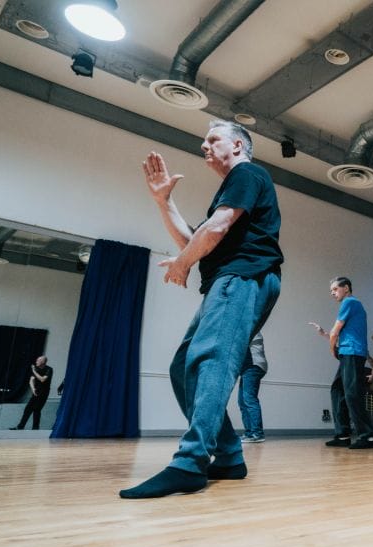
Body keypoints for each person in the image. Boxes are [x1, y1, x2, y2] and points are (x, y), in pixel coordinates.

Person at [121, 120, 282, 498]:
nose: (204, 145)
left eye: (213, 139)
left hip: (244, 276)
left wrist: (183, 263)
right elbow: (195, 238)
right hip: (228, 279)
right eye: (204, 140)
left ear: (239, 146)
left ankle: (190, 463)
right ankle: (227, 455)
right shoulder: (232, 186)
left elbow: (217, 227)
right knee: (183, 367)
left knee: (212, 359)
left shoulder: (248, 173)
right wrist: (163, 200)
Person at [312, 277, 373, 450]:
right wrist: (324, 335)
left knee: (352, 394)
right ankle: (343, 435)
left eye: (335, 289)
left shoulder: (350, 302)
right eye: (331, 290)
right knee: (338, 390)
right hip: (348, 352)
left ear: (346, 288)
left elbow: (336, 332)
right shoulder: (351, 305)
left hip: (353, 354)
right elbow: (340, 335)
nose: (332, 293)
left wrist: (331, 348)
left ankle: (368, 436)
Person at [238, 332, 267, 443]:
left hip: (253, 366)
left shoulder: (251, 329)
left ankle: (257, 433)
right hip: (248, 368)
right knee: (242, 401)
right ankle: (249, 433)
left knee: (249, 399)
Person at [12, 356, 53, 430]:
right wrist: (33, 388)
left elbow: (42, 379)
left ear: (43, 362)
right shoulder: (36, 369)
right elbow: (31, 380)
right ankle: (21, 426)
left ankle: (35, 428)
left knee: (37, 410)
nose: (36, 361)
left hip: (44, 392)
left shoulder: (49, 369)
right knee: (28, 409)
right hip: (36, 391)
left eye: (38, 360)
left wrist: (34, 371)